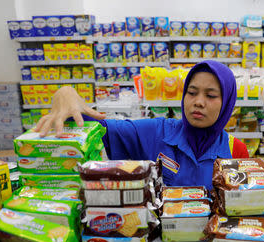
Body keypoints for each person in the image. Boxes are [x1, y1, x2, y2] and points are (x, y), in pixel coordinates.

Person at [35, 60, 249, 190]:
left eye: (211, 95)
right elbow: (94, 127)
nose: (198, 101)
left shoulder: (235, 150)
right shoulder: (156, 132)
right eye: (191, 93)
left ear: (227, 102)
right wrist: (66, 93)